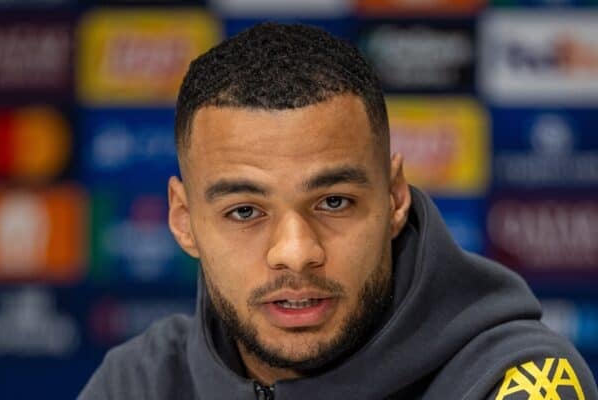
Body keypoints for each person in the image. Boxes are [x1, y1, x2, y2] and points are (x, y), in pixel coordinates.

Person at [80, 23, 598, 400]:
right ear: (183, 220)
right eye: (244, 212)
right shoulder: (139, 382)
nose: (296, 253)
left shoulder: (518, 379)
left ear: (395, 198)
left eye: (334, 202)